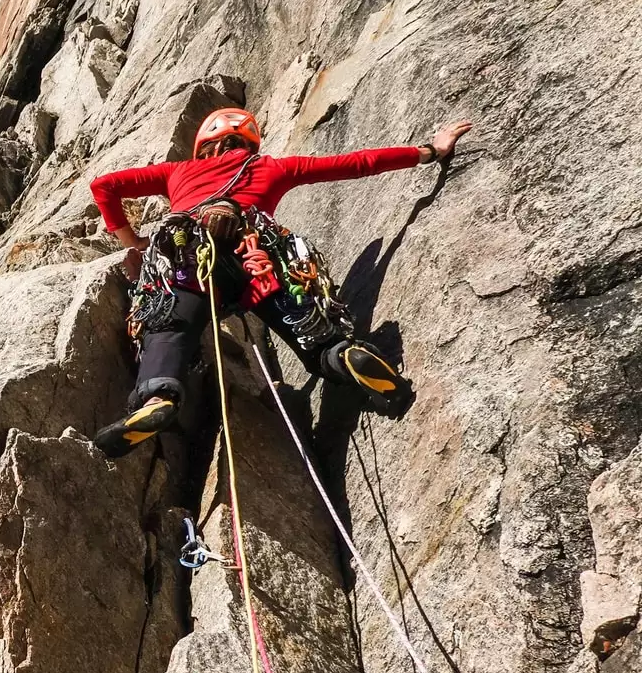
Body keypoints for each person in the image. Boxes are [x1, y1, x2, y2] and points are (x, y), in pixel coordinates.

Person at [89, 107, 472, 457]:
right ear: (250, 142)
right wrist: (430, 151)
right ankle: (339, 354)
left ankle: (158, 397)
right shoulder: (271, 167)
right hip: (258, 257)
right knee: (308, 327)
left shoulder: (178, 172)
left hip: (189, 256)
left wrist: (132, 240)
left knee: (168, 326)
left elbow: (103, 186)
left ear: (203, 146)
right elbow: (355, 163)